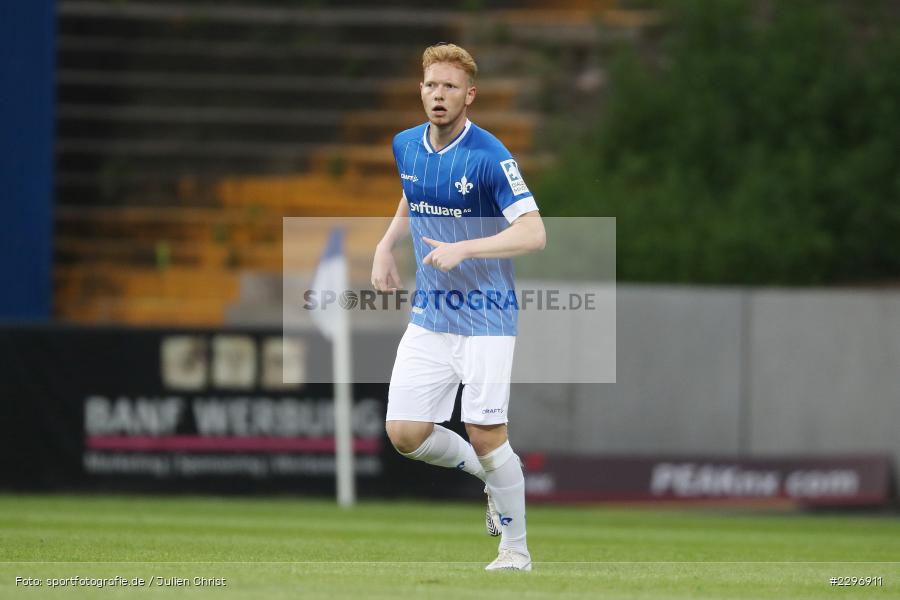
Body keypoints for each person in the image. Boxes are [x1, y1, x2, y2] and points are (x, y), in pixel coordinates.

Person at [371, 43, 546, 572]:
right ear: (420, 90)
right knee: (404, 433)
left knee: (487, 432)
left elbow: (534, 233)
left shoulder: (491, 156)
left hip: (487, 315)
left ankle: (515, 551)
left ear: (470, 95)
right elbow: (412, 194)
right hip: (430, 314)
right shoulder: (405, 144)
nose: (438, 95)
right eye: (430, 85)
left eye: (449, 86)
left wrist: (466, 247)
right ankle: (490, 479)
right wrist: (386, 244)